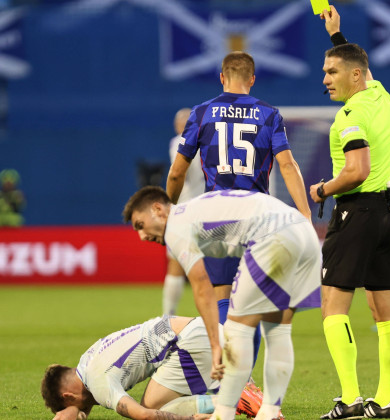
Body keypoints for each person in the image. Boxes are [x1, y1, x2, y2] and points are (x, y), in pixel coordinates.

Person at [123, 186, 321, 420]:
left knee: (236, 330)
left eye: (140, 225)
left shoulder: (176, 225)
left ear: (158, 209)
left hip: (272, 236)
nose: (142, 236)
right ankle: (269, 411)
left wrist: (215, 344)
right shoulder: (194, 210)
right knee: (277, 329)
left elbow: (201, 286)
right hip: (304, 234)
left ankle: (223, 415)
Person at [166, 51, 311, 329]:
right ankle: (247, 368)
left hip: (217, 216)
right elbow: (288, 166)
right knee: (252, 305)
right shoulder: (269, 115)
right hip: (257, 215)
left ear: (222, 77)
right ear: (252, 80)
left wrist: (169, 209)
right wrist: (304, 213)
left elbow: (177, 172)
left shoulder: (201, 113)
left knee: (223, 299)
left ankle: (234, 372)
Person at [308, 6, 390, 419]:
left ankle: (348, 399)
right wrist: (336, 34)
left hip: (355, 213)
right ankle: (384, 401)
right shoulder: (379, 95)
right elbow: (358, 61)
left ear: (354, 77)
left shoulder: (350, 114)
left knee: (332, 307)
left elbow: (357, 170)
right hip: (387, 211)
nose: (325, 79)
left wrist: (322, 189)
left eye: (331, 72)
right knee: (386, 312)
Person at [41, 316, 224, 420]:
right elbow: (84, 400)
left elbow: (143, 415)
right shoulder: (86, 361)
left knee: (151, 409)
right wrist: (77, 411)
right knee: (162, 401)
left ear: (68, 396)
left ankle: (231, 401)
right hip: (198, 329)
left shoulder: (98, 383)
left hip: (190, 343)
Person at [164, 107, 206, 316]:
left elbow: (178, 172)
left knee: (176, 265)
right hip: (207, 209)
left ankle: (168, 315)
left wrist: (168, 204)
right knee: (213, 267)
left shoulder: (179, 142)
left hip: (183, 209)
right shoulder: (209, 142)